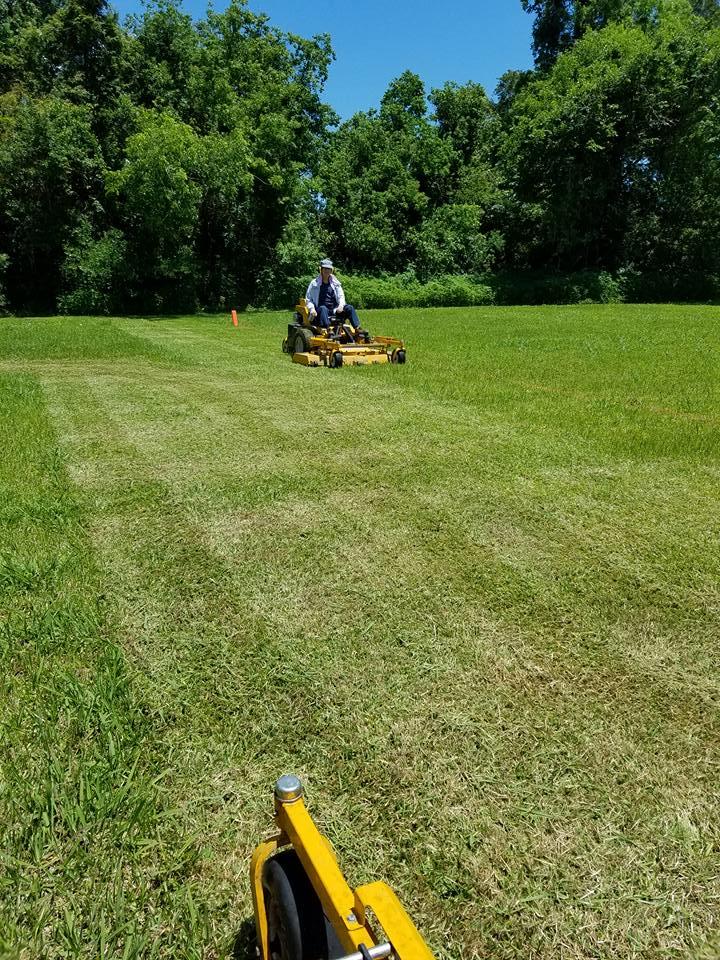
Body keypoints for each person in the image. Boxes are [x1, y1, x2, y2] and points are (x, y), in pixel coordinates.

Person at [304, 259, 369, 340]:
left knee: (349, 308)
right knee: (323, 308)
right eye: (325, 269)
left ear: (331, 270)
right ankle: (328, 330)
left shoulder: (335, 283)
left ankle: (357, 329)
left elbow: (341, 296)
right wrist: (312, 309)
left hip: (334, 310)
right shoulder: (314, 283)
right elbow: (308, 299)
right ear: (321, 269)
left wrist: (341, 306)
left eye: (329, 269)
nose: (327, 271)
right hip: (320, 311)